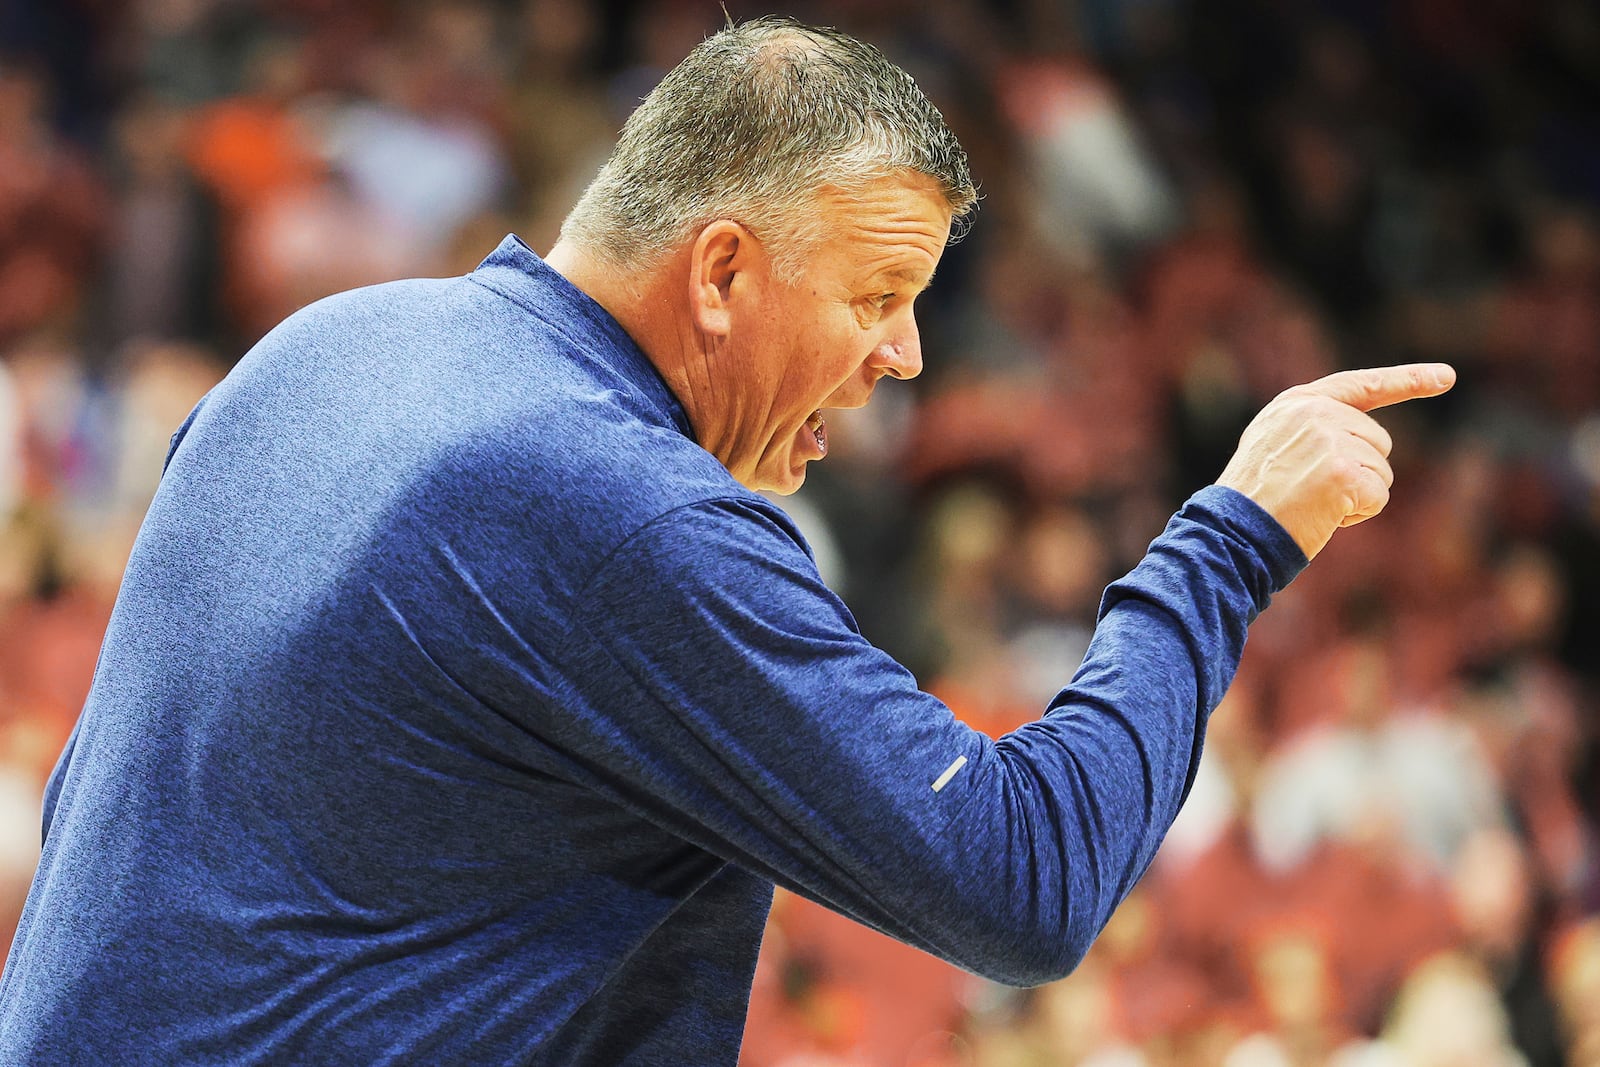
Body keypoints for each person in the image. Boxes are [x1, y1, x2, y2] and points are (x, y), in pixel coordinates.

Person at [0, 16, 1453, 1065]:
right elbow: (1024, 882)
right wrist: (1230, 543)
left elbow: (99, 800)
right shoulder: (608, 505)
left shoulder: (321, 349)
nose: (906, 354)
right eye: (880, 292)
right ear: (720, 273)